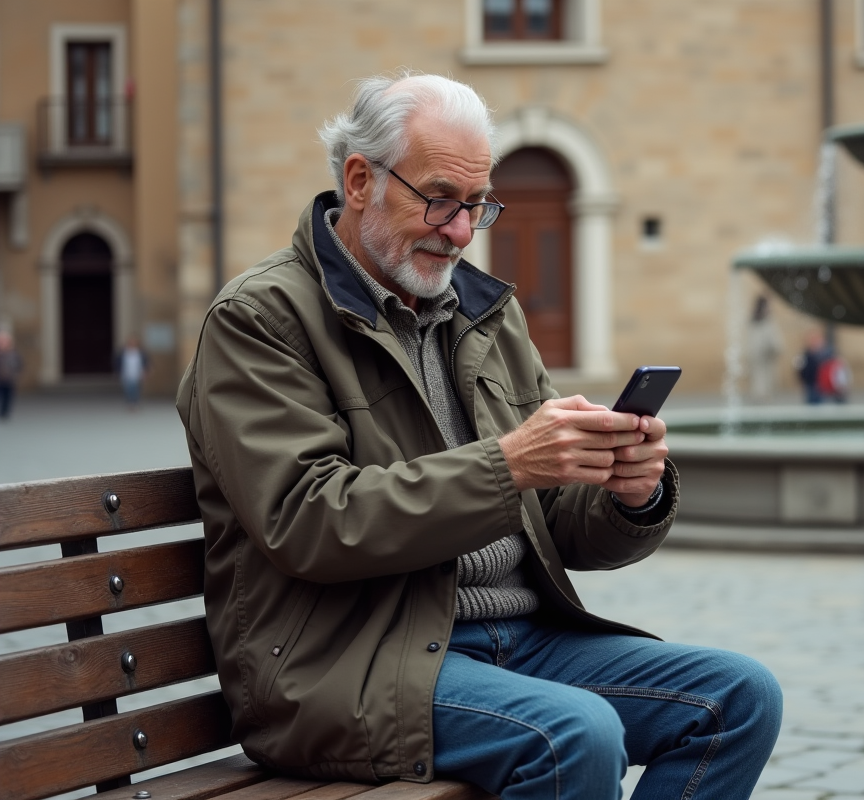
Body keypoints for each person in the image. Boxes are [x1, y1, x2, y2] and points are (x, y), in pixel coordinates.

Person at [176, 72, 781, 800]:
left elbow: (560, 522)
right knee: (576, 736)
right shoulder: (260, 320)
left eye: (476, 206)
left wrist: (631, 495)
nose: (461, 232)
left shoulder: (481, 313)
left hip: (519, 644)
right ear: (360, 179)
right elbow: (310, 521)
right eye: (439, 200)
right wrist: (508, 464)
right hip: (352, 664)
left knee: (740, 699)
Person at [745, 294, 782, 401]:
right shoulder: (762, 321)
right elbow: (772, 338)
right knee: (760, 379)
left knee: (764, 379)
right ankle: (761, 396)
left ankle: (762, 396)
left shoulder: (761, 321)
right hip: (759, 355)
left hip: (765, 355)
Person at [796, 328, 828, 404]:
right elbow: (800, 370)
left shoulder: (827, 354)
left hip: (824, 387)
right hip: (811, 386)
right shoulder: (805, 355)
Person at [116, 336, 149, 409]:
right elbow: (118, 362)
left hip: (137, 374)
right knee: (128, 389)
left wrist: (145, 372)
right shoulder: (124, 352)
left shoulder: (140, 352)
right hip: (126, 374)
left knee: (136, 389)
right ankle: (129, 402)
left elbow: (145, 362)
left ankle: (135, 402)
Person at [0, 330, 21, 419]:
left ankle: (5, 411)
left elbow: (19, 364)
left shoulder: (13, 353)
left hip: (9, 379)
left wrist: (15, 372)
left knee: (8, 396)